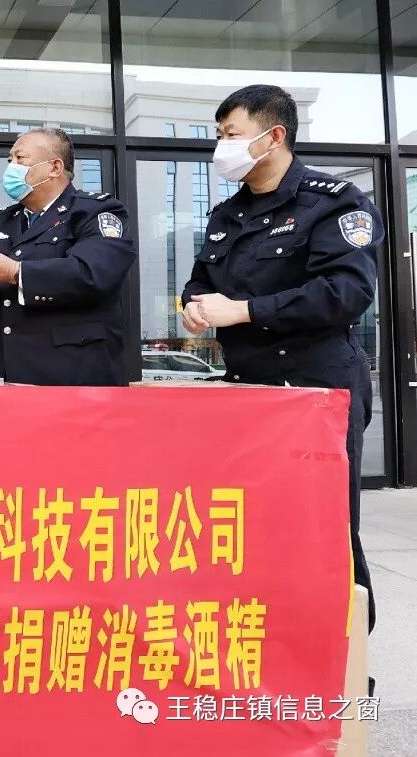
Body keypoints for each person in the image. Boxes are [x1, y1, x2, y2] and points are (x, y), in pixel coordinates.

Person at [181, 84, 379, 637]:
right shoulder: (227, 214)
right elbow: (201, 281)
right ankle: (271, 648)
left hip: (314, 386)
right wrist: (193, 307)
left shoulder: (333, 202)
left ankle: (346, 662)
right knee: (255, 528)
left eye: (231, 135)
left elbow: (346, 293)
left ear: (273, 136)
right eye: (219, 136)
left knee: (324, 527)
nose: (221, 147)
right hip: (248, 389)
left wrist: (243, 311)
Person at [0, 128, 135, 385]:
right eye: (10, 160)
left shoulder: (95, 212)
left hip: (72, 375)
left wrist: (16, 272)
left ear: (54, 167)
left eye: (20, 158)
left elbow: (92, 273)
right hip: (4, 373)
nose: (11, 167)